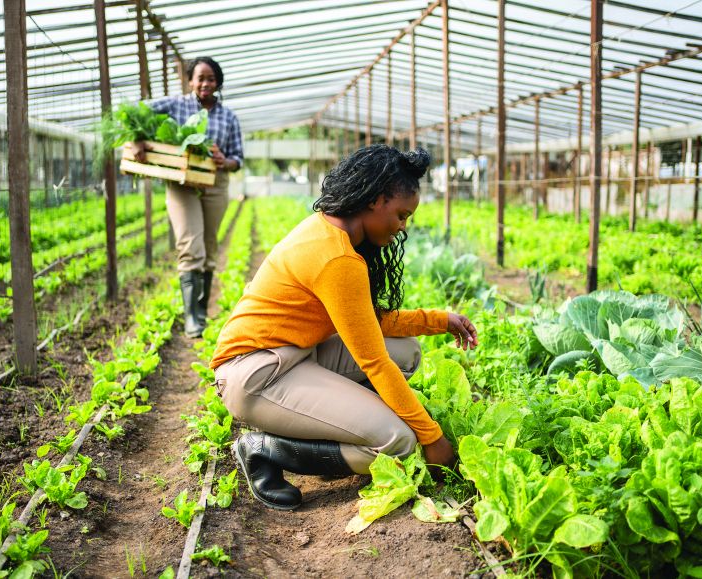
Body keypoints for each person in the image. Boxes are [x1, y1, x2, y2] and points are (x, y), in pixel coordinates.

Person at [209, 145, 478, 510]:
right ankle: (266, 450)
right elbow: (374, 361)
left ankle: (333, 428)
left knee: (407, 351)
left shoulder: (328, 230)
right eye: (400, 215)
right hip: (256, 377)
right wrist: (432, 438)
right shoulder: (337, 257)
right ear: (375, 199)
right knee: (400, 443)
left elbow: (368, 324)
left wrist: (438, 321)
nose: (402, 227)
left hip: (293, 354)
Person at [133, 57, 244, 338]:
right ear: (190, 81)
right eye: (200, 78)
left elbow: (238, 158)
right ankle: (191, 318)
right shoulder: (175, 105)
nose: (205, 83)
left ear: (217, 82)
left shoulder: (228, 116)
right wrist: (138, 140)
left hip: (215, 183)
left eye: (210, 78)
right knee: (190, 245)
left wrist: (224, 160)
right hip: (181, 182)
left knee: (208, 248)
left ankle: (202, 311)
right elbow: (138, 111)